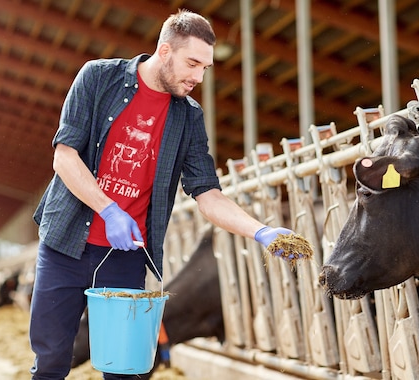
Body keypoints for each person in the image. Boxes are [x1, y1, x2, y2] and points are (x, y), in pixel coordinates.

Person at [29, 9, 294, 380]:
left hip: (123, 256)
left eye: (205, 68)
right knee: (52, 359)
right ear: (165, 51)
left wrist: (259, 231)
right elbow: (64, 156)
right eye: (192, 63)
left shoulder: (188, 117)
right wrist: (109, 210)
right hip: (65, 243)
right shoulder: (98, 77)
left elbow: (207, 193)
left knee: (126, 367)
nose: (198, 77)